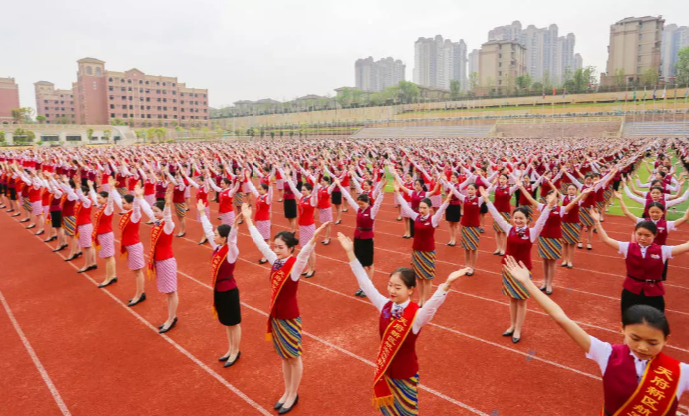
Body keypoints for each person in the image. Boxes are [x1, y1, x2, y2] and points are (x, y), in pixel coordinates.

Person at [503, 256, 689, 416]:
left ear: (667, 340)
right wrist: (527, 282)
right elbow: (561, 318)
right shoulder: (608, 354)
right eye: (635, 338)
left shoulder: (680, 372)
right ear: (622, 330)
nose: (642, 347)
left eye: (653, 342)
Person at [337, 232, 470, 416]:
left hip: (406, 375)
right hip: (387, 373)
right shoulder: (384, 305)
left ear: (410, 290)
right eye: (390, 285)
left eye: (397, 287)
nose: (391, 290)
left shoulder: (416, 315)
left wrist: (446, 284)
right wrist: (350, 254)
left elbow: (432, 306)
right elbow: (365, 282)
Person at [242, 203, 329, 415]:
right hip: (277, 316)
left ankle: (293, 393)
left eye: (280, 247)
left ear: (290, 249)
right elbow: (259, 244)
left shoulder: (294, 266)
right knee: (284, 356)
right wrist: (247, 220)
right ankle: (287, 391)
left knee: (293, 356)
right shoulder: (275, 262)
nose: (275, 250)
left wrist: (314, 237)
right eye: (275, 246)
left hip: (290, 317)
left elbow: (305, 253)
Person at [480, 187, 554, 343]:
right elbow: (496, 215)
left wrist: (548, 206)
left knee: (521, 300)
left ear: (527, 219)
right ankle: (512, 325)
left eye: (521, 218)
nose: (518, 220)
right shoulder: (509, 229)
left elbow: (542, 220)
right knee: (512, 299)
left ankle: (518, 329)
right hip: (508, 269)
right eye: (516, 218)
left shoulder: (532, 232)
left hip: (523, 270)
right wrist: (487, 199)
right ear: (512, 218)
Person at [590, 208, 689, 314]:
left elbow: (684, 247)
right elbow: (606, 239)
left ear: (654, 236)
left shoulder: (663, 250)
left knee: (655, 323)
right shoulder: (627, 247)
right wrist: (596, 221)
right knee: (629, 321)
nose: (642, 238)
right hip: (631, 290)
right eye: (639, 234)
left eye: (647, 235)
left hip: (654, 291)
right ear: (635, 234)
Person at [198, 200, 242, 368]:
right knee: (227, 323)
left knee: (233, 323)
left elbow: (232, 240)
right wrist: (202, 213)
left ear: (224, 238)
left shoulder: (231, 252)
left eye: (217, 235)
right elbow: (208, 230)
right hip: (219, 290)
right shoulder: (217, 247)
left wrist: (236, 225)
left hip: (229, 290)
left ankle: (236, 351)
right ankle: (230, 349)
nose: (214, 236)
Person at [394, 184, 452, 306]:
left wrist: (448, 199)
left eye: (424, 208)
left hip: (428, 251)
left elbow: (441, 209)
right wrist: (398, 194)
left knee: (427, 278)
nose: (421, 210)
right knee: (419, 277)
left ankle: (425, 300)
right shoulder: (416, 217)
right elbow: (406, 206)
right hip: (417, 251)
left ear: (430, 208)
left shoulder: (433, 219)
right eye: (420, 207)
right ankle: (420, 299)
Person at [337, 176, 384, 296]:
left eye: (362, 204)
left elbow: (378, 202)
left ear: (367, 203)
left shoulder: (372, 211)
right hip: (358, 238)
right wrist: (340, 186)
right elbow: (348, 198)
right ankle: (362, 287)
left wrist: (382, 192)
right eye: (359, 204)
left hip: (367, 239)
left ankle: (368, 287)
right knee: (359, 264)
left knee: (369, 264)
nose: (360, 206)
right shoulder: (358, 209)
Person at [141, 186, 179, 333]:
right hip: (159, 261)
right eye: (154, 211)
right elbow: (147, 210)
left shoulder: (168, 225)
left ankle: (172, 318)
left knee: (171, 291)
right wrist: (139, 197)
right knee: (167, 292)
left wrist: (168, 204)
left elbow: (168, 217)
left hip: (167, 261)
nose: (154, 213)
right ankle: (170, 317)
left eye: (157, 211)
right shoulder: (157, 222)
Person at [112, 184, 148, 306]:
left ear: (131, 204)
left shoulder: (134, 215)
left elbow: (137, 207)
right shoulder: (127, 213)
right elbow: (117, 201)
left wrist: (137, 197)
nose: (122, 205)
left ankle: (140, 294)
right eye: (122, 203)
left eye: (124, 203)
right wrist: (112, 188)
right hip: (129, 246)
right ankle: (140, 293)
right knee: (136, 272)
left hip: (134, 246)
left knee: (138, 272)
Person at [88, 179, 118, 287]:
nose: (97, 200)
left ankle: (108, 278)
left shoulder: (107, 209)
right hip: (102, 234)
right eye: (97, 198)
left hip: (106, 234)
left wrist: (110, 189)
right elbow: (93, 196)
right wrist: (91, 187)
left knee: (108, 257)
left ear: (106, 199)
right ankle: (113, 275)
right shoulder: (100, 207)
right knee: (109, 256)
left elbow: (110, 201)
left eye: (100, 198)